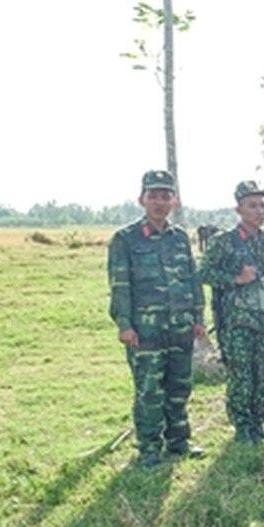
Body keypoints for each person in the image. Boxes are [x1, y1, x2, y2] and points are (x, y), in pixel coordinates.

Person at [106, 170, 206, 467]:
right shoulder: (125, 239)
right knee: (149, 390)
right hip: (145, 331)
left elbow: (192, 279)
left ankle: (178, 442)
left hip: (180, 326)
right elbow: (120, 284)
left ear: (173, 202)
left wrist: (198, 316)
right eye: (154, 196)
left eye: (165, 196)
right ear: (142, 199)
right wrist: (124, 324)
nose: (160, 202)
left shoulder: (179, 238)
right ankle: (149, 447)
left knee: (179, 387)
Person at [199, 181, 264, 443]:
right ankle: (242, 427)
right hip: (237, 324)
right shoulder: (223, 242)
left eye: (262, 205)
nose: (259, 211)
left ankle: (258, 423)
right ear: (239, 209)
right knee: (241, 376)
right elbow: (203, 273)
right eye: (252, 206)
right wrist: (236, 278)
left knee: (263, 374)